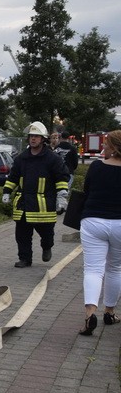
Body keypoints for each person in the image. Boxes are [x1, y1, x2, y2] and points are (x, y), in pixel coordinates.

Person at [2, 121, 69, 268]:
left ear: (43, 139)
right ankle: (25, 259)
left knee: (46, 233)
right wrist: (7, 191)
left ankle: (47, 247)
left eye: (36, 136)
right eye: (31, 136)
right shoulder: (21, 158)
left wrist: (62, 197)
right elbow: (13, 177)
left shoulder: (53, 159)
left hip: (44, 204)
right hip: (24, 202)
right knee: (22, 235)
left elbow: (61, 178)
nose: (33, 139)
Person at [78, 130, 121, 335]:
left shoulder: (96, 166)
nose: (103, 147)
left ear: (114, 147)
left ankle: (89, 315)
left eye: (106, 145)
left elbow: (87, 190)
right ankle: (110, 312)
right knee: (115, 268)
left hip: (93, 221)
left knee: (93, 270)